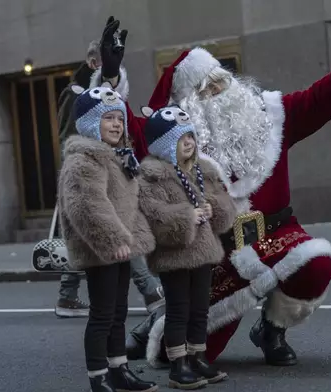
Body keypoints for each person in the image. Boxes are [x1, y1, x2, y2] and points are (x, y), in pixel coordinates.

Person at [113, 25, 331, 367]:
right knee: (185, 353)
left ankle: (272, 328)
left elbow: (321, 98)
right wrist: (109, 81)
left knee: (315, 263)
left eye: (219, 80)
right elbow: (128, 134)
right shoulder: (178, 142)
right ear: (188, 104)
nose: (217, 91)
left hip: (278, 234)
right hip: (221, 257)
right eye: (205, 88)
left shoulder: (272, 114)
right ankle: (164, 319)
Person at [54, 24, 164, 318]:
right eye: (104, 62)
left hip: (111, 162)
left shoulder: (104, 98)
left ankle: (68, 294)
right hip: (88, 166)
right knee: (102, 224)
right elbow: (71, 133)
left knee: (111, 224)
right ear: (93, 63)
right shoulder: (75, 95)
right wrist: (83, 162)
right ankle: (149, 290)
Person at [58, 83, 158, 392]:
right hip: (99, 247)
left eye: (119, 118)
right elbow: (88, 206)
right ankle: (98, 377)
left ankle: (119, 370)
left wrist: (135, 236)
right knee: (102, 314)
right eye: (108, 118)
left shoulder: (118, 156)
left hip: (121, 246)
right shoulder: (84, 159)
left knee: (118, 312)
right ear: (90, 123)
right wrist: (114, 239)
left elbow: (131, 201)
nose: (116, 124)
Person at [138, 105, 236, 389]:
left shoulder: (203, 170)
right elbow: (153, 213)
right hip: (174, 254)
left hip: (203, 250)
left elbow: (224, 203)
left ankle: (197, 356)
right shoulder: (152, 176)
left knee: (200, 308)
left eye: (190, 136)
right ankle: (177, 363)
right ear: (166, 145)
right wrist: (185, 216)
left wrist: (213, 207)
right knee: (179, 309)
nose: (189, 143)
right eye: (181, 139)